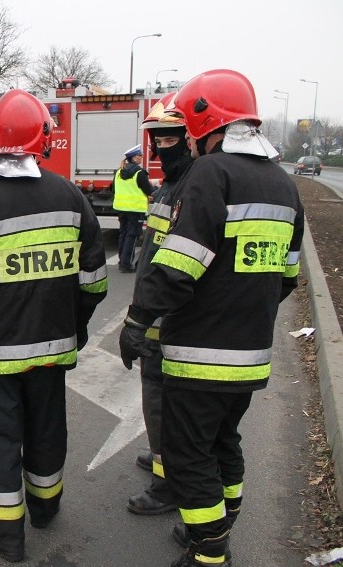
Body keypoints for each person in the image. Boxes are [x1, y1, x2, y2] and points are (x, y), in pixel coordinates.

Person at [118, 69, 304, 567]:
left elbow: (179, 264)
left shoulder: (211, 174)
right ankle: (218, 527)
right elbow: (288, 275)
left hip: (199, 354)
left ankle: (210, 551)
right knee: (224, 444)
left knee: (186, 457)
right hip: (250, 354)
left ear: (206, 123)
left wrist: (137, 321)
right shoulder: (284, 185)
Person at [0, 89, 107, 563]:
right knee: (48, 429)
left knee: (0, 438)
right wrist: (77, 324)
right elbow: (94, 278)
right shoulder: (69, 196)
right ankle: (45, 510)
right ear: (40, 143)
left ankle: (6, 535)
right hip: (51, 349)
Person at [127, 92, 194, 517]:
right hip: (156, 310)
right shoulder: (172, 184)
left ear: (191, 139)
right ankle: (159, 456)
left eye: (170, 140)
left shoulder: (195, 184)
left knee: (162, 394)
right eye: (157, 139)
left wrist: (142, 319)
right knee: (154, 390)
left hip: (170, 317)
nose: (161, 148)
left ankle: (168, 482)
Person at [113, 143, 154, 273]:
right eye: (140, 155)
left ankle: (121, 261)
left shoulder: (119, 172)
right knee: (132, 236)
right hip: (136, 209)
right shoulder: (139, 173)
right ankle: (127, 264)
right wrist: (154, 193)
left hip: (121, 208)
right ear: (134, 158)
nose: (142, 157)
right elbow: (148, 190)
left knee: (123, 234)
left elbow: (113, 188)